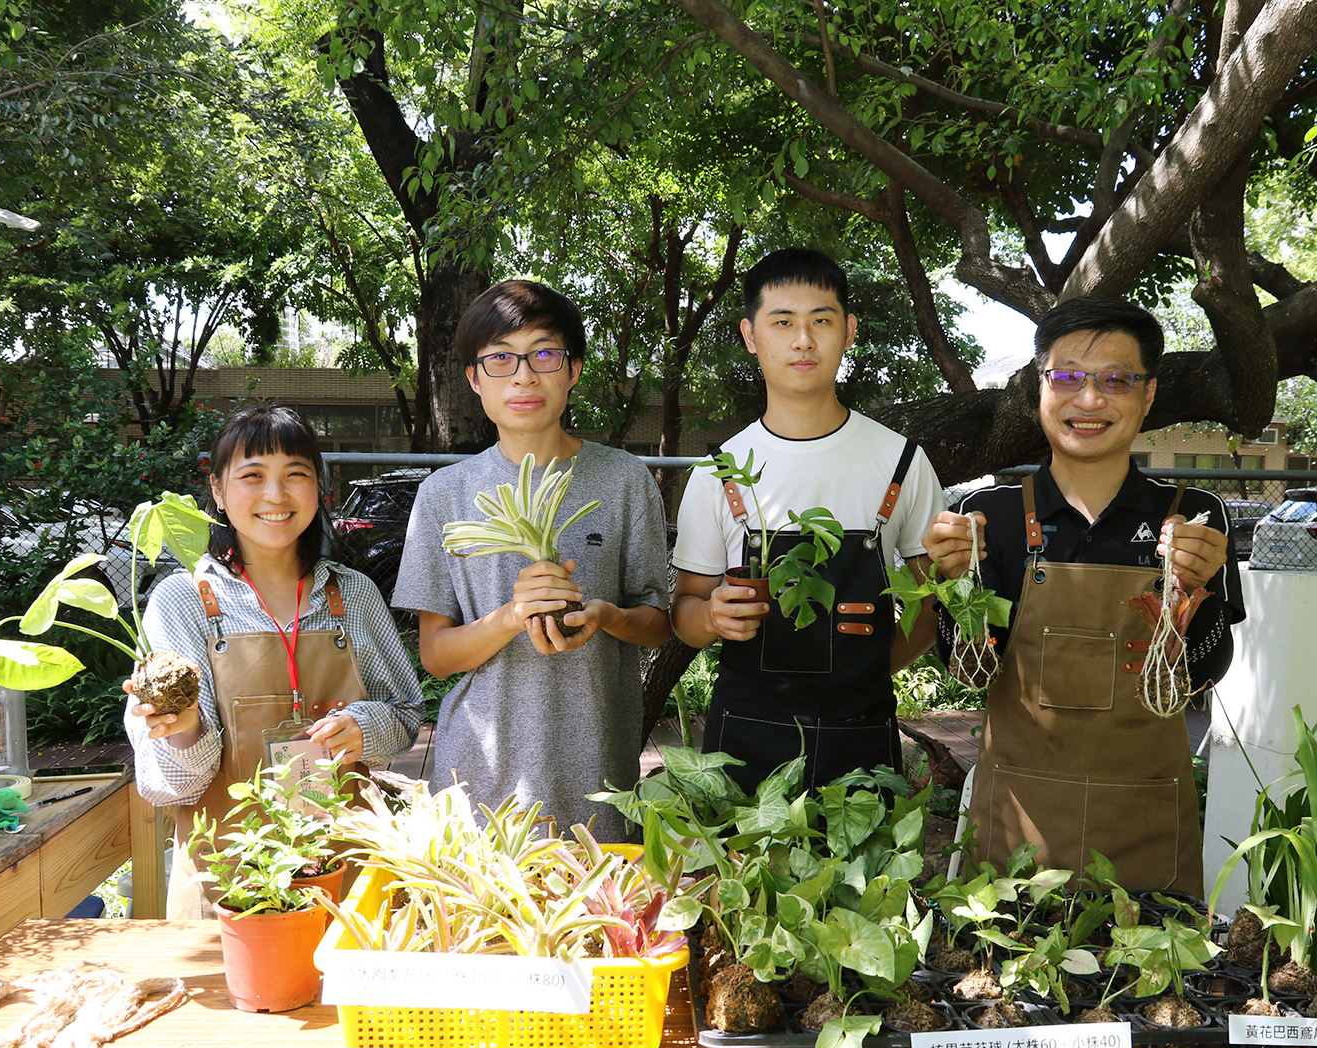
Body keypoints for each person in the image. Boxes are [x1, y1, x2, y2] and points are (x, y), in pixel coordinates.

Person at [923, 296, 1244, 895]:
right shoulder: (986, 517)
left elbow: (1207, 670)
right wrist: (954, 587)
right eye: (1067, 377)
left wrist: (1195, 594)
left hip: (1146, 817)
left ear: (1148, 395)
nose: (1090, 401)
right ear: (1039, 388)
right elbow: (966, 670)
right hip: (1015, 825)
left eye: (1116, 380)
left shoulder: (1195, 517)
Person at [393, 280, 671, 841]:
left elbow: (658, 624)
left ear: (573, 369)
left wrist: (605, 616)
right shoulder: (445, 494)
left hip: (599, 779)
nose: (523, 375)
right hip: (477, 785)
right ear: (474, 379)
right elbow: (436, 656)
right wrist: (510, 616)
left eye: (544, 353)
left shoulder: (624, 480)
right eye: (500, 358)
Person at [125, 404, 425, 920]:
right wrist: (185, 728)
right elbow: (173, 785)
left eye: (295, 475)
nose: (275, 495)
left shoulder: (353, 593)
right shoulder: (182, 601)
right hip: (228, 885)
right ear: (218, 491)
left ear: (319, 488)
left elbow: (403, 715)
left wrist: (364, 727)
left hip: (346, 871)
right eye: (252, 476)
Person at [671, 247, 945, 791]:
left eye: (821, 320)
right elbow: (684, 612)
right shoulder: (719, 472)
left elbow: (929, 606)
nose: (803, 340)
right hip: (742, 744)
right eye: (783, 322)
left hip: (861, 741)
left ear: (849, 331)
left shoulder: (901, 462)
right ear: (751, 337)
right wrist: (713, 619)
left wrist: (860, 674)